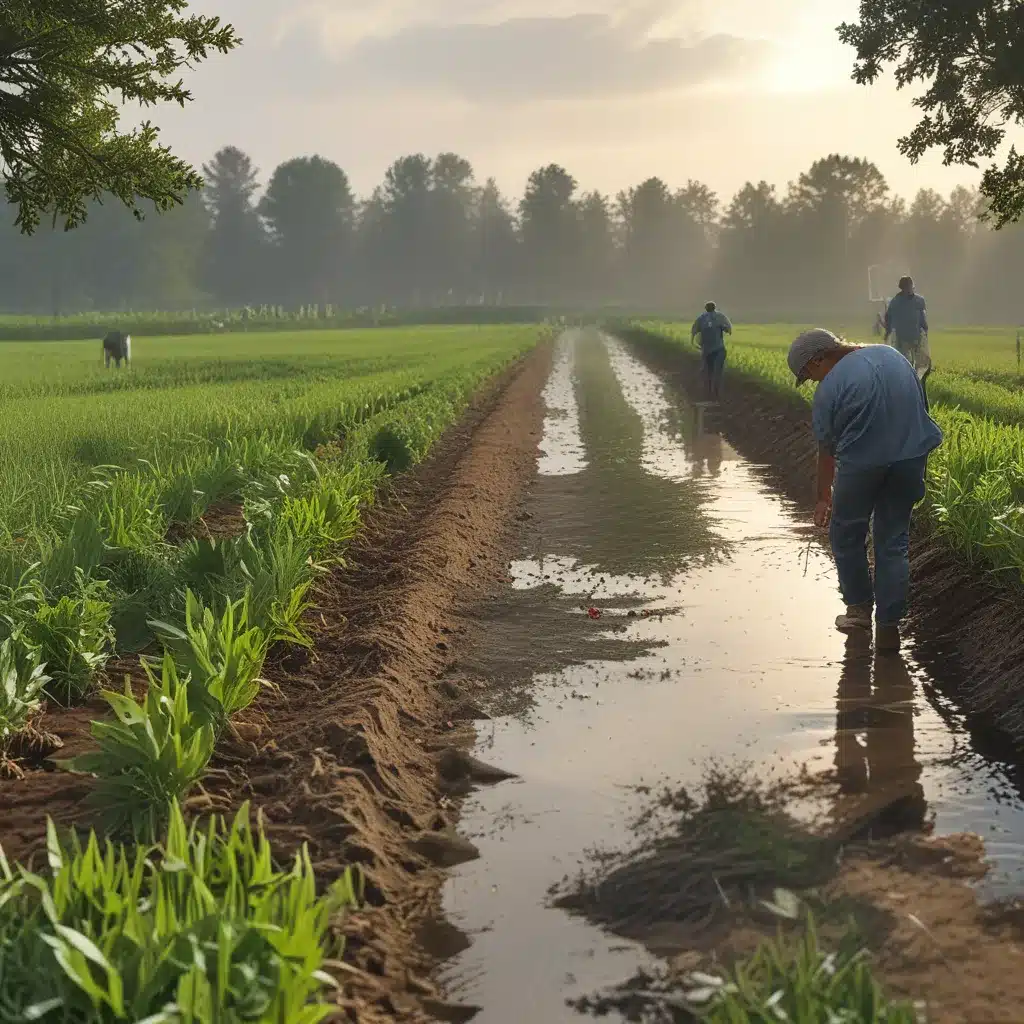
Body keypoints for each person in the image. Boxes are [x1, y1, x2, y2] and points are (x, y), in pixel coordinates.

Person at [787, 329, 943, 652]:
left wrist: (822, 498)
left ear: (818, 359)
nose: (814, 382)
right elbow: (921, 411)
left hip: (861, 465)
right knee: (893, 541)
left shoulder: (831, 387)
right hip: (910, 460)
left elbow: (827, 450)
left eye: (809, 375)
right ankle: (889, 627)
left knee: (846, 533)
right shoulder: (894, 357)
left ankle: (858, 610)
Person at [884, 276, 931, 379]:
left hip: (917, 336)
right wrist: (888, 331)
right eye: (906, 287)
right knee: (905, 363)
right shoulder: (896, 301)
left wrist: (925, 329)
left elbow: (922, 317)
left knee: (923, 362)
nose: (909, 289)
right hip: (902, 338)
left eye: (910, 286)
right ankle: (908, 380)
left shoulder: (919, 300)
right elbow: (888, 316)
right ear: (902, 288)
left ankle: (918, 380)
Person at [690, 301, 732, 401]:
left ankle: (708, 394)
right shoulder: (720, 317)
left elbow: (693, 332)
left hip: (707, 350)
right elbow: (728, 329)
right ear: (714, 308)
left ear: (706, 308)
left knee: (708, 372)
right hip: (719, 349)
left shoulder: (701, 318)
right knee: (717, 372)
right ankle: (716, 394)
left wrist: (695, 344)